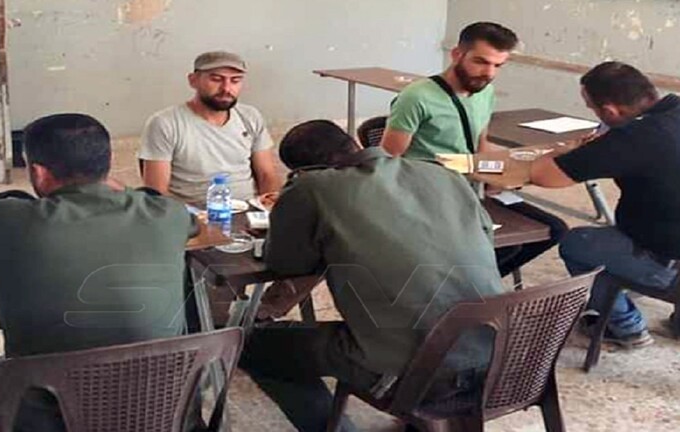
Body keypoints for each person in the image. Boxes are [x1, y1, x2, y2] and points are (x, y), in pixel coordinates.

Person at [0, 114, 198, 430]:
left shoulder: (5, 218)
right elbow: (190, 224)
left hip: (49, 411)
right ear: (108, 164)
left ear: (38, 171)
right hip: (159, 405)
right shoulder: (168, 213)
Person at [240, 120, 507, 432]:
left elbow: (286, 263)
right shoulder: (442, 174)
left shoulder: (312, 188)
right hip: (495, 355)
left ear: (304, 171)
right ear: (355, 144)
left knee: (253, 346)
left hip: (416, 373)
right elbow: (486, 236)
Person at [379, 21, 568, 279]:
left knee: (553, 230)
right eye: (481, 61)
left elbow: (481, 142)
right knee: (498, 243)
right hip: (432, 192)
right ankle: (464, 284)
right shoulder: (416, 97)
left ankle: (471, 285)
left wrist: (495, 177)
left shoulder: (485, 92)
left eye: (498, 65)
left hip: (472, 186)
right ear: (457, 54)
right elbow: (388, 161)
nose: (488, 73)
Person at [530, 62, 680, 348]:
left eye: (592, 108)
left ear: (610, 111)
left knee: (577, 243)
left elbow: (544, 175)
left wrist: (569, 151)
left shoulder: (634, 138)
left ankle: (625, 326)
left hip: (667, 261)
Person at [139, 50, 282, 205]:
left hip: (250, 209)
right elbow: (157, 193)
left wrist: (269, 208)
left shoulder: (250, 116)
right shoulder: (165, 123)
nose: (226, 89)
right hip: (193, 215)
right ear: (193, 80)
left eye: (235, 81)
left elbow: (266, 175)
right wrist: (192, 217)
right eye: (216, 79)